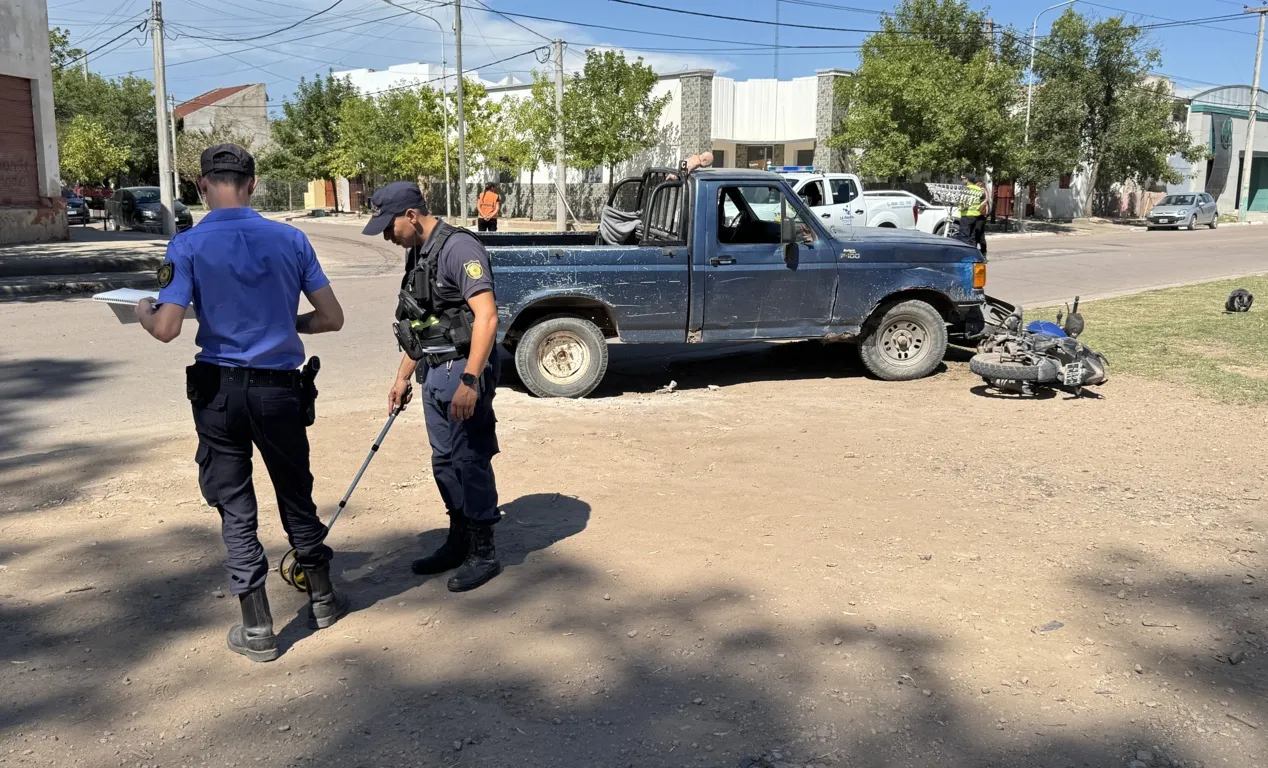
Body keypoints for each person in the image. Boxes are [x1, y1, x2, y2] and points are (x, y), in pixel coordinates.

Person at [135, 144, 348, 663]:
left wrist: (143, 307)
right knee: (296, 492)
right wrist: (286, 323)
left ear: (203, 185)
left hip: (218, 391)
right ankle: (321, 599)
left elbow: (165, 328)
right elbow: (331, 318)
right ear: (252, 184)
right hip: (279, 390)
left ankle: (258, 628)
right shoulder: (291, 239)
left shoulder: (185, 245)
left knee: (235, 504)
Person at [363, 181, 504, 592]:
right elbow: (423, 321)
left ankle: (484, 551)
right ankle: (458, 538)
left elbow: (487, 317)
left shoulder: (459, 248)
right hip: (435, 371)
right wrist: (402, 375)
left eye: (389, 227)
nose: (387, 236)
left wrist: (470, 380)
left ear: (410, 215)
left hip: (463, 370)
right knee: (444, 460)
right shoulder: (418, 254)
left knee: (470, 460)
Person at [958, 172, 989, 256]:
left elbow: (963, 203)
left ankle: (964, 256)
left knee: (964, 237)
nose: (963, 180)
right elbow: (983, 202)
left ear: (967, 180)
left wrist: (960, 207)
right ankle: (972, 256)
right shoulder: (979, 190)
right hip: (976, 217)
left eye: (964, 179)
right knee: (972, 238)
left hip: (966, 216)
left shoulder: (966, 189)